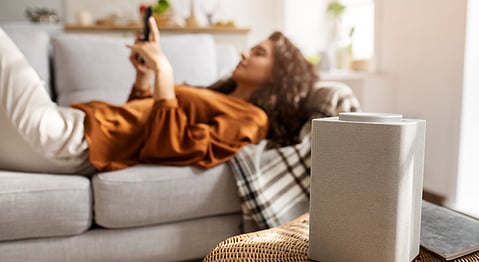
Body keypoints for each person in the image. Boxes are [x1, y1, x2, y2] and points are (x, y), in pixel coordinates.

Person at [0, 18, 318, 174]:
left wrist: (164, 71)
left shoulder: (252, 119)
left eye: (259, 53)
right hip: (72, 126)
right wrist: (144, 79)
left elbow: (172, 147)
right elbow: (136, 123)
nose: (246, 52)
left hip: (70, 140)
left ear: (277, 77)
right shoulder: (221, 96)